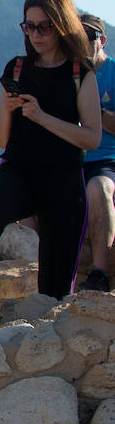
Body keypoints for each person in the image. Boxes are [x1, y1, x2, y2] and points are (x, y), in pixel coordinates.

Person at [0, 0, 101, 323]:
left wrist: (42, 117)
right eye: (29, 26)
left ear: (62, 25)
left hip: (64, 178)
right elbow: (1, 139)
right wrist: (8, 108)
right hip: (19, 170)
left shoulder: (80, 73)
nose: (36, 34)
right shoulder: (16, 68)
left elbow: (91, 137)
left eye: (44, 26)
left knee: (55, 291)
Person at [79, 14, 115, 292]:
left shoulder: (113, 72)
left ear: (102, 40)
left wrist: (95, 113)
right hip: (71, 157)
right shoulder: (68, 72)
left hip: (107, 159)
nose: (82, 41)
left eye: (89, 36)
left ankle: (100, 272)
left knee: (98, 188)